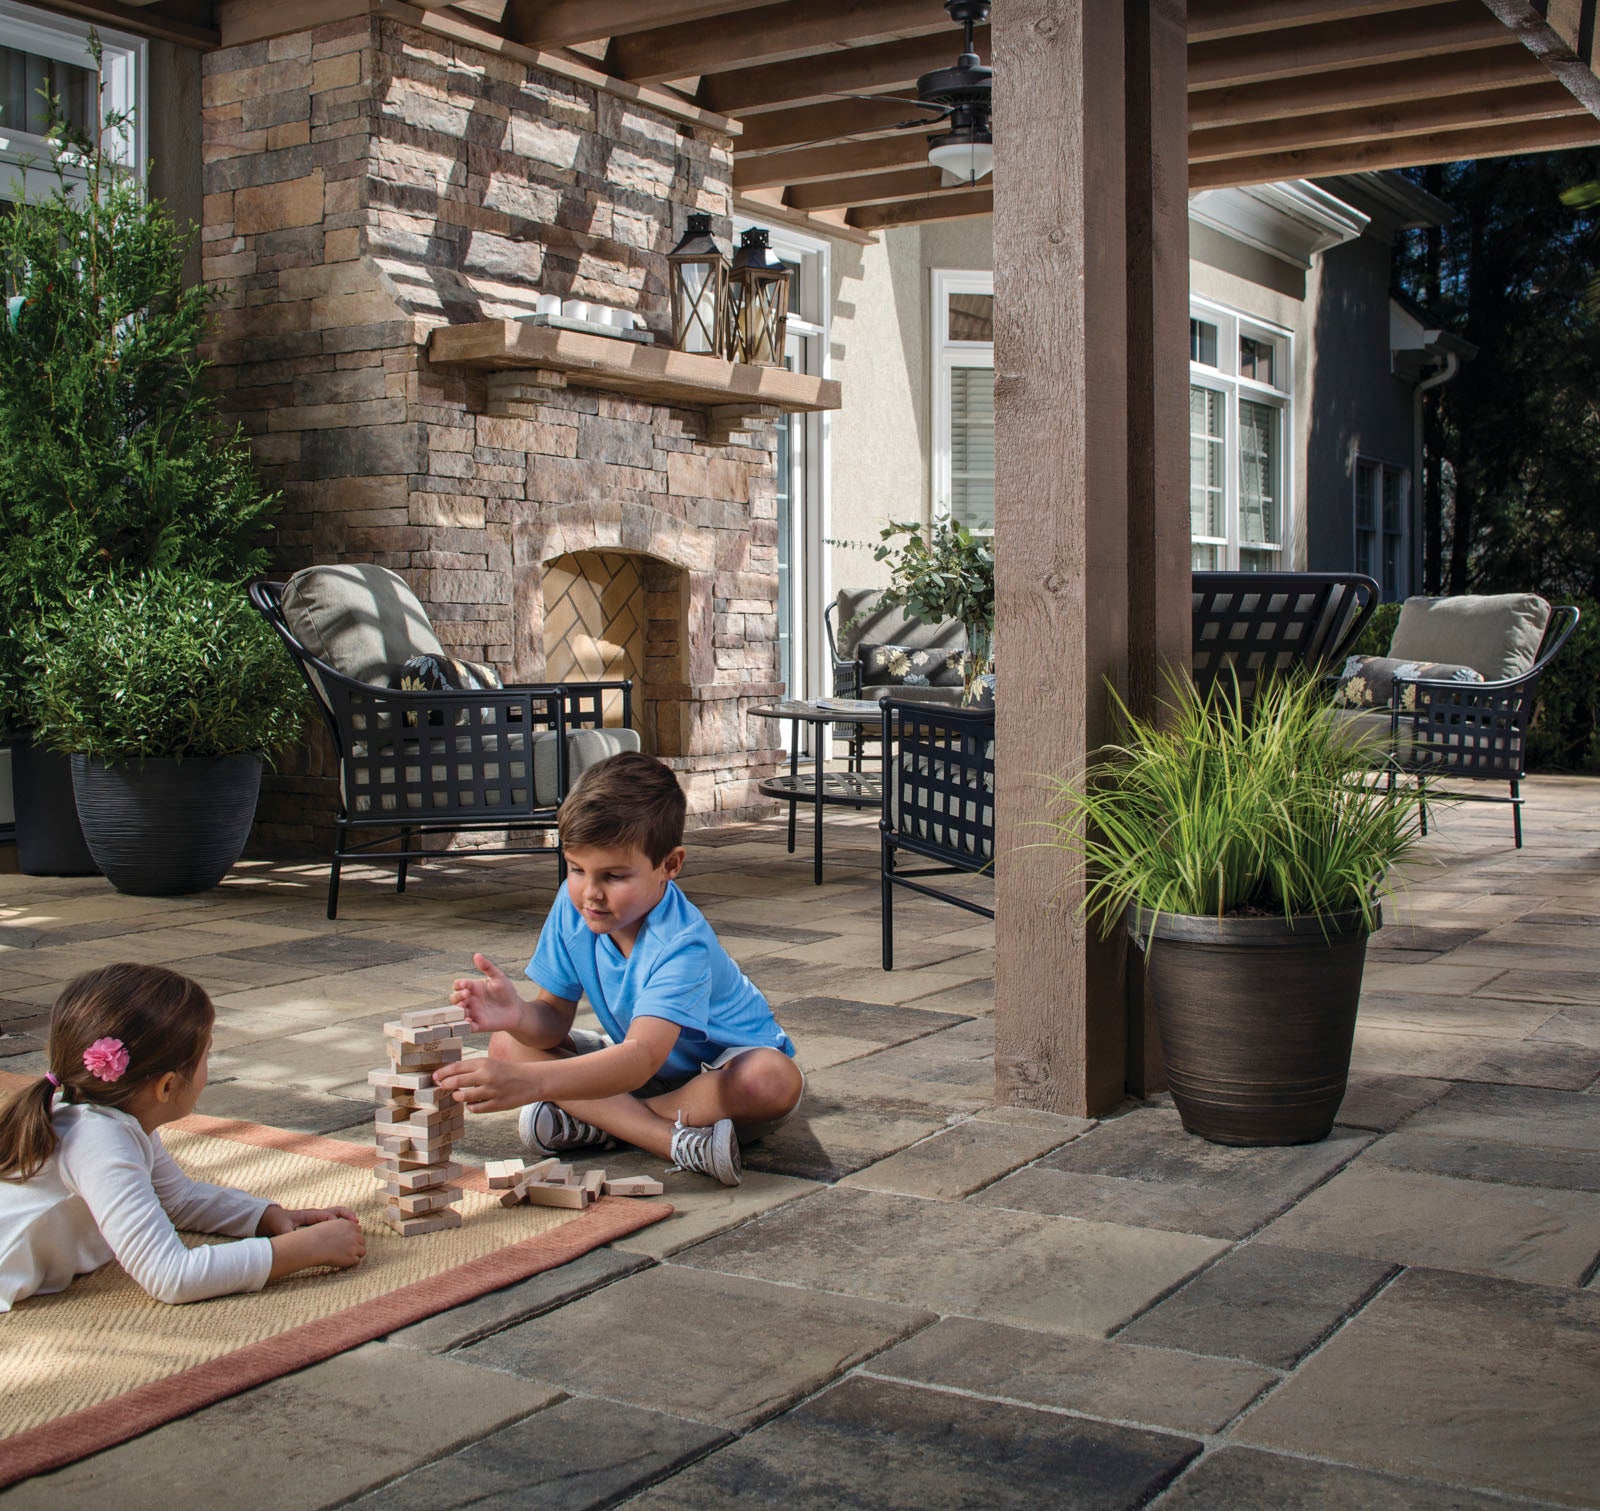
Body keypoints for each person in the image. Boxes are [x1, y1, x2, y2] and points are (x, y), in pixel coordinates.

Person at [437, 751, 803, 1187]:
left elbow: (640, 1060)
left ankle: (598, 1121)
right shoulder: (572, 909)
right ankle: (669, 1140)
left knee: (773, 1081)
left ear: (669, 865)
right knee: (506, 1045)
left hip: (718, 1073)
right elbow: (552, 1023)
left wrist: (531, 1083)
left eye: (613, 876)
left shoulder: (682, 942)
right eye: (576, 869)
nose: (590, 893)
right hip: (645, 1076)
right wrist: (517, 1015)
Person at [0, 963, 365, 1312]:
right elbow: (172, 1275)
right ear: (167, 1085)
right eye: (208, 1053)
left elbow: (177, 1200)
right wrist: (300, 1252)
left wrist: (269, 1217)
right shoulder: (99, 1141)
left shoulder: (110, 1114)